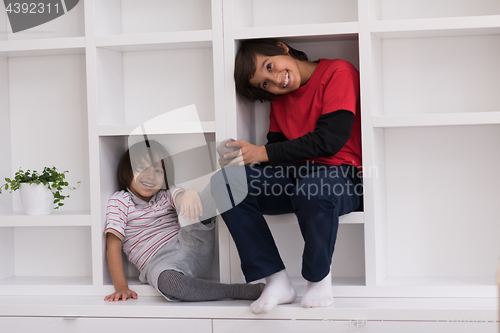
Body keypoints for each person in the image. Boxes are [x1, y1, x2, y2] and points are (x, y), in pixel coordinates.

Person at [211, 39, 363, 314]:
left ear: (282, 48)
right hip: (298, 178)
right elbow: (278, 160)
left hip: (343, 176)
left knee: (312, 188)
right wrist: (243, 159)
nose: (274, 81)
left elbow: (330, 140)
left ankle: (318, 278)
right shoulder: (280, 102)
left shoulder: (338, 72)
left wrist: (262, 153)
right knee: (225, 183)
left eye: (269, 67)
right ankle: (277, 280)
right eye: (264, 84)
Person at [104, 139, 263, 302]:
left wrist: (189, 194)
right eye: (142, 168)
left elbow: (179, 198)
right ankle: (236, 291)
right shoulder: (120, 200)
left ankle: (231, 164)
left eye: (158, 171)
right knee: (169, 283)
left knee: (207, 192)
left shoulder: (165, 194)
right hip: (160, 265)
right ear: (127, 170)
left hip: (191, 242)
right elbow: (113, 244)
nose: (150, 176)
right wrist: (121, 286)